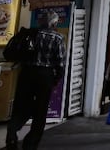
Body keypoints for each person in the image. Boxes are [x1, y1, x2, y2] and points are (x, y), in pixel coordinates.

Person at [6, 10, 66, 150]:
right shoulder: (57, 38)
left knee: (21, 105)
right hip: (45, 76)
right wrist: (56, 78)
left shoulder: (30, 34)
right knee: (40, 111)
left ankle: (12, 132)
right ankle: (30, 144)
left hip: (26, 73)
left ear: (40, 21)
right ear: (54, 22)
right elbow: (61, 62)